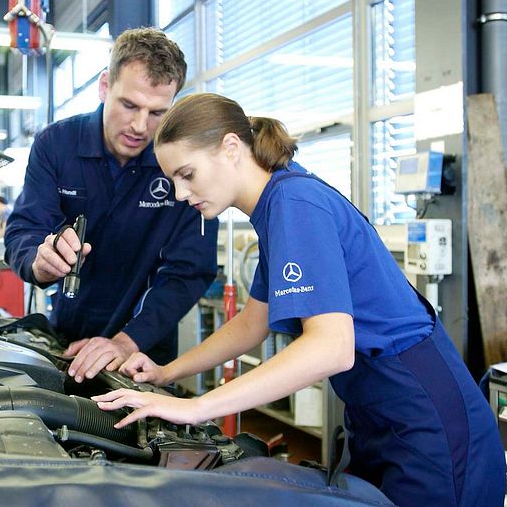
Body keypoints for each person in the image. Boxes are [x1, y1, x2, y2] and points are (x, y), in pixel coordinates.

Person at [93, 93, 505, 506]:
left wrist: (198, 408)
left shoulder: (294, 203)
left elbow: (331, 348)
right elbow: (253, 324)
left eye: (187, 174)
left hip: (424, 414)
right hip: (377, 411)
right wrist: (166, 374)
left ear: (231, 148)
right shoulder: (277, 203)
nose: (181, 194)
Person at [4, 28, 218, 383]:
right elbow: (25, 230)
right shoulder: (56, 145)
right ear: (105, 87)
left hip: (144, 352)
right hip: (68, 340)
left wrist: (126, 342)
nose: (139, 126)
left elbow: (189, 271)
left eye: (156, 113)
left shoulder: (182, 163)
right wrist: (39, 262)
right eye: (129, 105)